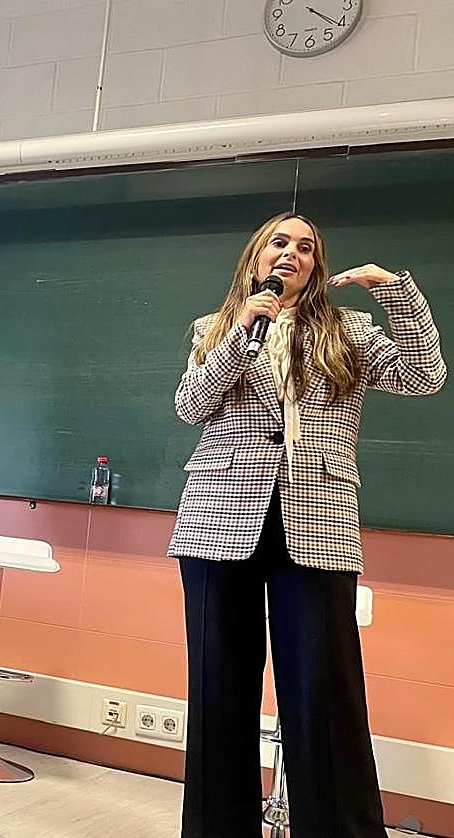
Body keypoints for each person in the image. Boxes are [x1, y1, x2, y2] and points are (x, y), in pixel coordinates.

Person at [168, 211, 446, 837]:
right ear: (256, 256)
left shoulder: (347, 331)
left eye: (307, 247)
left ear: (317, 267)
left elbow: (427, 377)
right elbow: (193, 405)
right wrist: (243, 332)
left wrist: (394, 291)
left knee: (324, 692)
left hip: (318, 520)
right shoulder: (214, 328)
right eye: (279, 242)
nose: (292, 253)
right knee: (219, 690)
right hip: (218, 518)